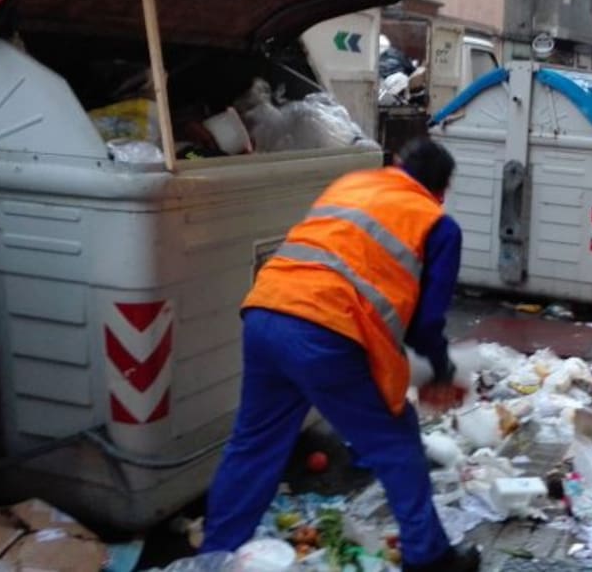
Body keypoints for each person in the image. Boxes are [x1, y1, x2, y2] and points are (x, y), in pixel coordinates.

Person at [201, 138, 480, 571]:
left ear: (397, 165)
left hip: (265, 311)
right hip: (326, 330)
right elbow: (425, 323)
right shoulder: (437, 224)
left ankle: (214, 555)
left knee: (253, 445)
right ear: (442, 190)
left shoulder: (351, 185)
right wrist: (441, 369)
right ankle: (428, 556)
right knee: (396, 444)